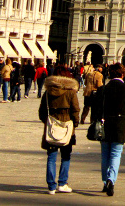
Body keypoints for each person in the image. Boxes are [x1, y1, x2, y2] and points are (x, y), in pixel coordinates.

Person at [92, 66, 125, 197]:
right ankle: (111, 179)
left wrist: (98, 119)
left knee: (105, 155)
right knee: (116, 155)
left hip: (104, 124)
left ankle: (105, 182)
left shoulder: (103, 89)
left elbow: (96, 108)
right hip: (120, 123)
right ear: (123, 74)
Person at [39, 67, 80, 195]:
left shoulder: (48, 92)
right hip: (67, 125)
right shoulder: (71, 92)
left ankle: (51, 186)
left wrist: (47, 121)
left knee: (51, 157)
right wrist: (75, 123)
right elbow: (75, 110)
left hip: (52, 125)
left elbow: (42, 112)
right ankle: (62, 183)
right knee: (66, 156)